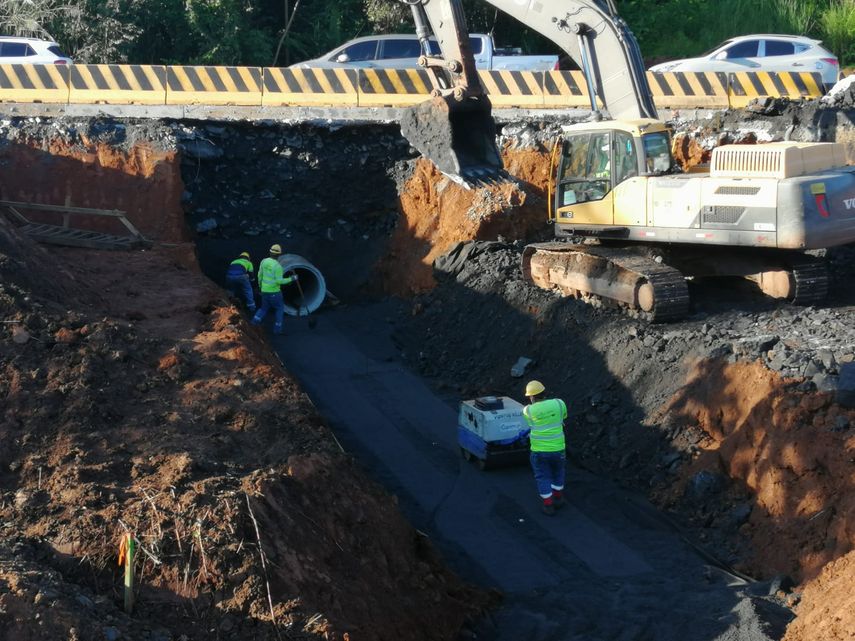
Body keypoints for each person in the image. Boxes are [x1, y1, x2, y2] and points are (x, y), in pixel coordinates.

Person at [522, 380, 568, 516]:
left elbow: (531, 425)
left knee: (543, 476)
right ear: (544, 392)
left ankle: (548, 506)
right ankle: (558, 499)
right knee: (558, 472)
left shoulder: (527, 411)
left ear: (531, 397)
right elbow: (563, 417)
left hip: (539, 452)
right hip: (558, 449)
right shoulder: (559, 403)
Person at [250, 244, 297, 335]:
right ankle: (277, 330)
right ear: (279, 254)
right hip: (275, 293)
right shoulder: (277, 266)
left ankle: (253, 323)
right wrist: (292, 279)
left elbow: (260, 275)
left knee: (264, 308)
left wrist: (260, 287)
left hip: (264, 291)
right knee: (279, 309)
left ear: (270, 252)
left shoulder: (264, 261)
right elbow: (279, 281)